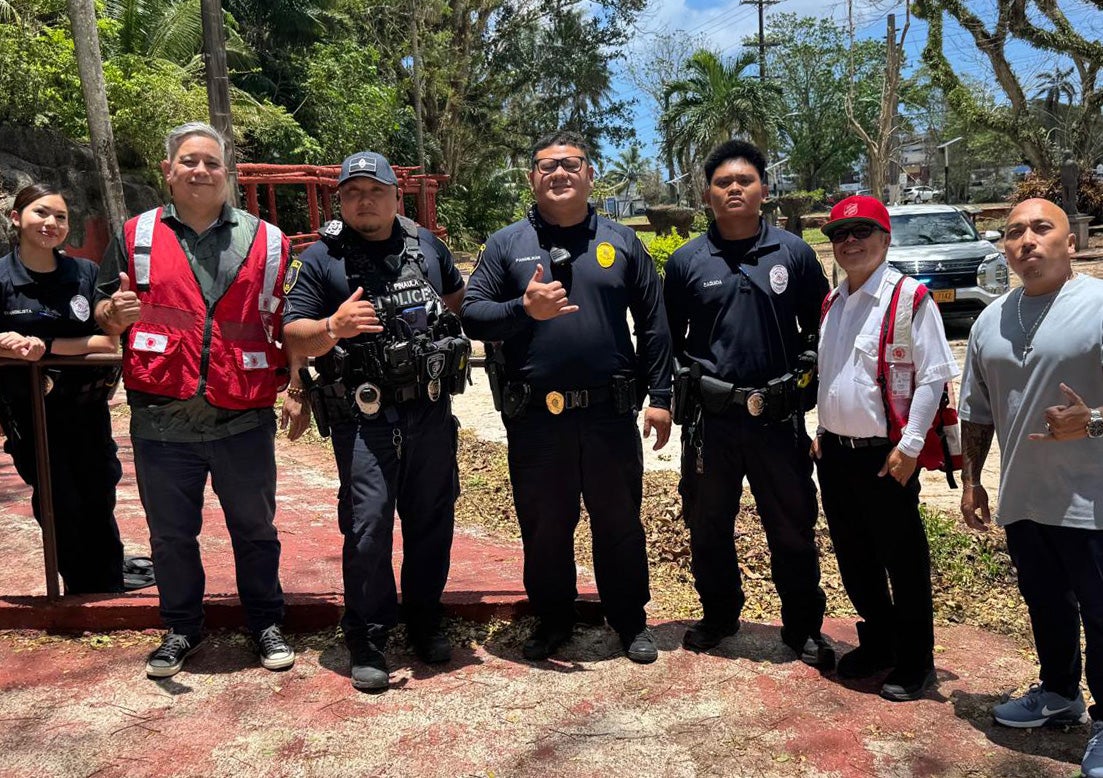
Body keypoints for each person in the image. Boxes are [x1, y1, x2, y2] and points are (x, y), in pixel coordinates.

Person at [461, 130, 672, 664]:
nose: (559, 173)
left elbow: (654, 325)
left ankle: (629, 621)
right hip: (536, 418)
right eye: (546, 166)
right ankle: (553, 619)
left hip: (608, 413)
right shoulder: (505, 245)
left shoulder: (623, 242)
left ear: (589, 174)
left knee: (619, 521)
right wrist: (522, 310)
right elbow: (471, 314)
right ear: (532, 178)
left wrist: (662, 394)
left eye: (570, 164)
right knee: (545, 526)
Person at [94, 122, 295, 678]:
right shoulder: (134, 234)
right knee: (171, 534)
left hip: (242, 413)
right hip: (162, 417)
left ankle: (264, 622)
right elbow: (102, 312)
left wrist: (298, 390)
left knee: (255, 528)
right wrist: (113, 316)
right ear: (169, 170)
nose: (200, 170)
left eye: (211, 162)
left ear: (225, 170)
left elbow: (287, 323)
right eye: (188, 161)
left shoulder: (268, 240)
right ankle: (181, 626)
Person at [281, 151, 468, 691]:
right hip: (363, 416)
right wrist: (334, 327)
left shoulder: (426, 245)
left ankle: (425, 618)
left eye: (376, 190)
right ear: (340, 199)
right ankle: (367, 632)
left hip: (429, 409)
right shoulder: (321, 259)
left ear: (395, 195)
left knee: (432, 518)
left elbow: (454, 297)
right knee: (367, 527)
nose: (366, 200)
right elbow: (293, 336)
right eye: (353, 191)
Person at [663, 140, 833, 668]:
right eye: (722, 183)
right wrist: (670, 398)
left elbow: (822, 328)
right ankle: (720, 615)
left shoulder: (793, 254)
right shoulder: (687, 261)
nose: (734, 189)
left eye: (745, 181)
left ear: (763, 189)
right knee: (708, 524)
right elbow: (667, 340)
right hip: (711, 424)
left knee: (792, 526)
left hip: (778, 422)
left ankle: (803, 627)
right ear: (707, 194)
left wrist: (800, 386)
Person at [958, 198, 1103, 777]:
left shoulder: (1097, 306)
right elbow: (977, 410)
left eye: (1043, 228)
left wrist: (1092, 419)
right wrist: (971, 480)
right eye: (1015, 232)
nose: (1028, 241)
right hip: (1024, 498)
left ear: (1071, 242)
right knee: (1046, 605)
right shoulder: (990, 319)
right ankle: (1060, 694)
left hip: (1092, 502)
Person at [813, 195, 958, 701]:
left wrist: (912, 444)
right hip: (835, 453)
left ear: (885, 237)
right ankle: (880, 642)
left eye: (862, 232)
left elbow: (933, 376)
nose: (850, 242)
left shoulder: (910, 298)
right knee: (854, 556)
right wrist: (821, 430)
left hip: (886, 455)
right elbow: (832, 375)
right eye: (840, 235)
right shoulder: (834, 302)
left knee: (902, 558)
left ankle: (916, 660)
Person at [0, 183, 128, 594]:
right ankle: (78, 588)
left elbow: (107, 342)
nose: (51, 223)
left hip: (87, 407)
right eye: (40, 213)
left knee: (100, 490)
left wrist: (45, 348)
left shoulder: (84, 273)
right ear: (16, 218)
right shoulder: (2, 278)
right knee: (59, 500)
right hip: (29, 412)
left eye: (60, 217)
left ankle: (108, 581)